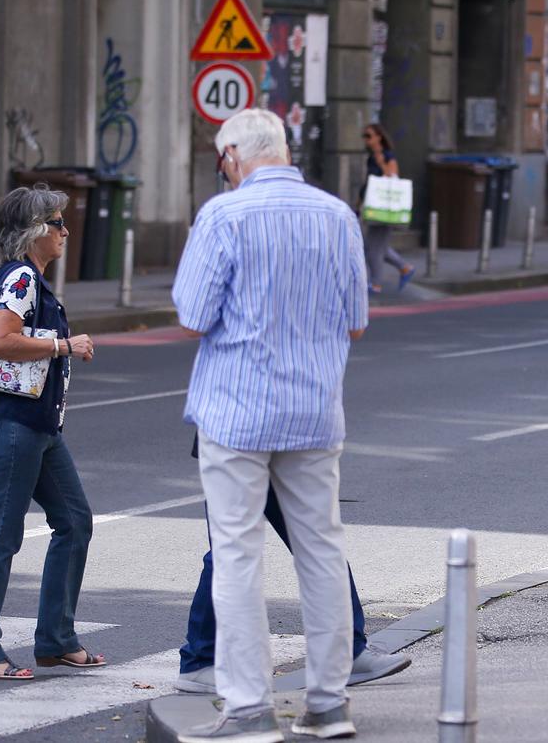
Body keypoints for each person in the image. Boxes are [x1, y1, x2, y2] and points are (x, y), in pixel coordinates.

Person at [173, 108, 367, 742]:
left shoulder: (222, 216)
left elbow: (194, 315)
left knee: (237, 556)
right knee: (321, 551)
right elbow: (356, 321)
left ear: (231, 156)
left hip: (237, 411)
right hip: (314, 408)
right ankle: (328, 705)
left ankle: (251, 710)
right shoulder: (337, 216)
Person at [0, 184, 100, 681]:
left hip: (37, 426)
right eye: (57, 223)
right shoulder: (21, 278)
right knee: (1, 536)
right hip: (13, 426)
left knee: (74, 520)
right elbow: (0, 341)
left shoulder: (30, 278)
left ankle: (56, 640)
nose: (65, 231)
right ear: (35, 232)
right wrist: (62, 345)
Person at [177, 481, 410, 694]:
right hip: (238, 443)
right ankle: (201, 661)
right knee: (232, 553)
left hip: (293, 442)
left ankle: (345, 653)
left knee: (320, 546)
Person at [359, 123, 414, 294]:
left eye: (369, 136)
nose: (366, 140)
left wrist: (382, 163)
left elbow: (392, 178)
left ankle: (376, 284)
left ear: (378, 137)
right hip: (374, 207)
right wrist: (358, 202)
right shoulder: (370, 158)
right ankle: (404, 268)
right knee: (375, 247)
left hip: (385, 208)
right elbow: (368, 183)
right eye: (365, 137)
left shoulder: (388, 156)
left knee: (373, 248)